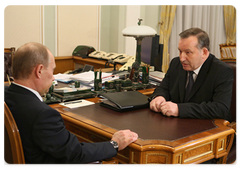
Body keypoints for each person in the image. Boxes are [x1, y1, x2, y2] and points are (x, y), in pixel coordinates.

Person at [2, 42, 138, 164]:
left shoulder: (4, 94)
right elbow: (75, 154)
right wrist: (114, 144)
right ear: (39, 71)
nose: (54, 77)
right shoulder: (43, 115)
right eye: (52, 70)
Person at [149, 27, 233, 122]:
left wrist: (179, 109)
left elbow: (220, 108)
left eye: (188, 52)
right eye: (180, 51)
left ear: (204, 52)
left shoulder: (222, 71)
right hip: (178, 124)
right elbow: (164, 88)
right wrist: (159, 97)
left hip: (209, 127)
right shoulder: (175, 64)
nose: (182, 58)